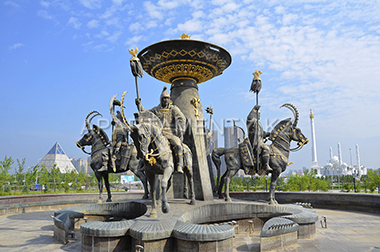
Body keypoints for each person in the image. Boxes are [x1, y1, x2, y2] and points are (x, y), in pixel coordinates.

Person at [136, 86, 185, 173]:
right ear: (161, 99)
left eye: (167, 99)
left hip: (170, 133)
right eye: (164, 99)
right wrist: (139, 105)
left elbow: (182, 118)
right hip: (159, 133)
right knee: (146, 144)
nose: (165, 100)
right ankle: (143, 164)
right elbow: (145, 113)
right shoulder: (156, 110)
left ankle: (179, 165)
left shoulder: (173, 109)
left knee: (178, 144)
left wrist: (180, 128)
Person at [246, 104, 272, 174]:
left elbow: (261, 133)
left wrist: (268, 134)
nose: (260, 115)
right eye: (258, 114)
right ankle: (266, 165)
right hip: (256, 143)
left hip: (260, 141)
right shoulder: (253, 122)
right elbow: (249, 119)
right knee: (266, 148)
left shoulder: (258, 123)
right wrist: (254, 109)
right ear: (255, 114)